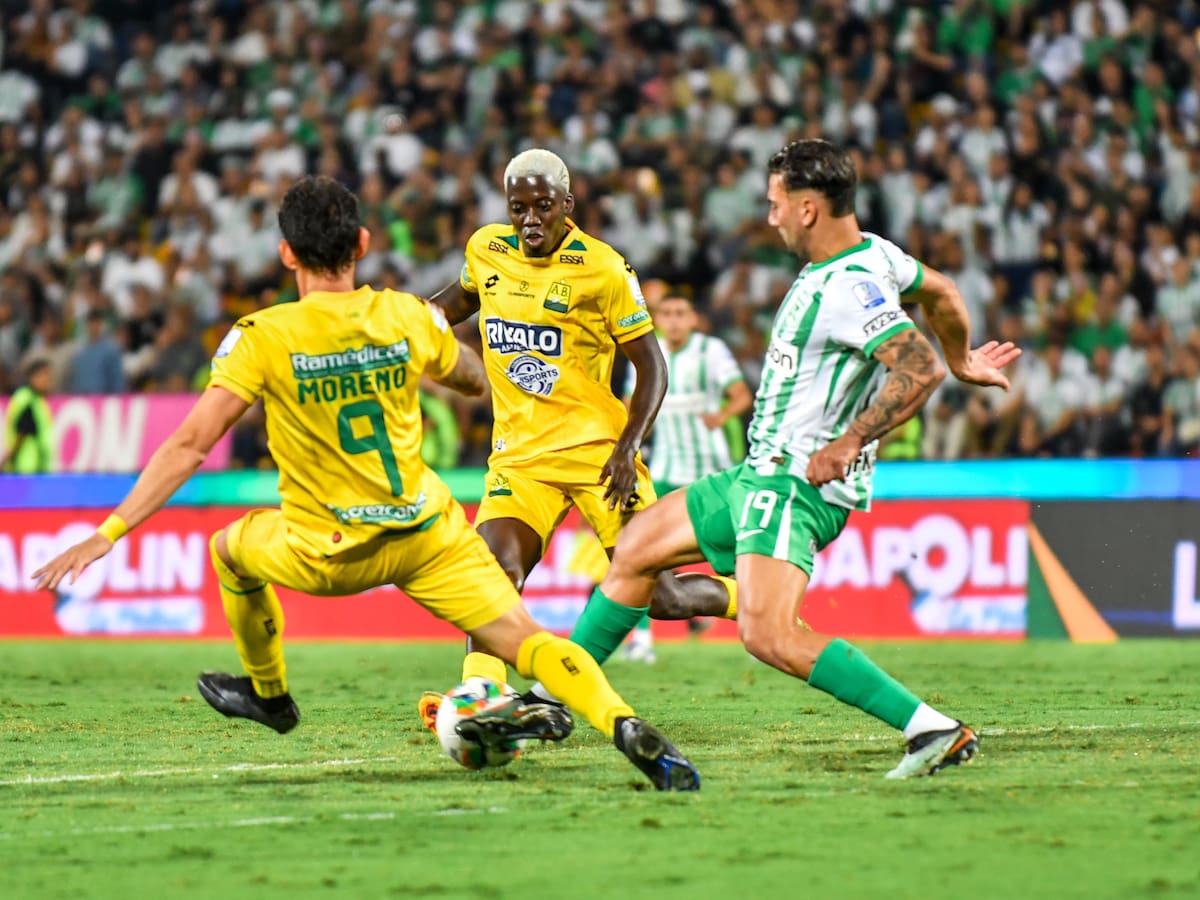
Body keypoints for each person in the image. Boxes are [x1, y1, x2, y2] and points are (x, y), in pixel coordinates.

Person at [31, 175, 699, 792]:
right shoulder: (402, 317)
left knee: (229, 550)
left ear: (286, 254)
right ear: (362, 243)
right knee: (527, 640)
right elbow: (473, 378)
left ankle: (270, 693)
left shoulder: (262, 336)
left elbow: (189, 446)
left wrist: (108, 532)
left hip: (326, 548)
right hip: (424, 534)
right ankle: (622, 724)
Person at [522, 140, 1022, 778]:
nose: (770, 217)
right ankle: (551, 698)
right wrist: (963, 358)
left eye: (776, 203)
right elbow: (943, 293)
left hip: (792, 482)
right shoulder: (878, 253)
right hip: (757, 472)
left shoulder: (850, 288)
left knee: (768, 635)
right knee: (637, 547)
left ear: (808, 209)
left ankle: (930, 729)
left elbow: (916, 366)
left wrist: (851, 440)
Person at [418, 149, 733, 727]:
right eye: (518, 208)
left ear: (566, 204)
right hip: (520, 458)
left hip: (598, 456)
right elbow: (453, 304)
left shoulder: (603, 268)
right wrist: (403, 323)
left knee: (664, 599)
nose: (530, 220)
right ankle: (479, 700)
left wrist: (627, 447)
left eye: (543, 206)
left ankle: (747, 597)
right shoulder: (486, 250)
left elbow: (652, 366)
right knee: (492, 576)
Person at [621, 294, 752, 661]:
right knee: (642, 553)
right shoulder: (646, 353)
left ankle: (758, 632)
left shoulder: (712, 351)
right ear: (657, 319)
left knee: (742, 554)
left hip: (710, 470)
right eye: (667, 313)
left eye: (681, 313)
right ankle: (641, 640)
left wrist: (721, 416)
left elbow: (741, 395)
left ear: (694, 319)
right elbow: (632, 406)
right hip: (664, 469)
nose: (674, 320)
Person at [2, 359, 56, 473]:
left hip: (36, 464)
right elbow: (22, 431)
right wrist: (9, 457)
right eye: (44, 376)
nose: (48, 381)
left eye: (49, 377)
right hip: (27, 465)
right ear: (33, 378)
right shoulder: (27, 399)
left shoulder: (38, 400)